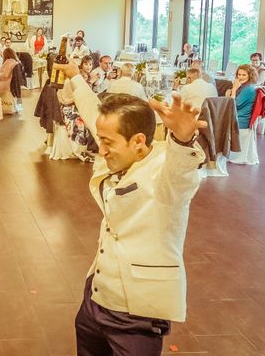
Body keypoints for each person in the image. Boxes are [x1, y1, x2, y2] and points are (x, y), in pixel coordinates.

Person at [56, 61, 206, 356]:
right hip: (94, 301)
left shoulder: (164, 179)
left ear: (138, 141)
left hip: (135, 314)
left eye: (108, 143)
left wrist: (182, 139)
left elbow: (181, 173)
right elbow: (93, 113)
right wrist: (77, 78)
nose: (101, 150)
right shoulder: (118, 154)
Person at [226, 64, 257, 129]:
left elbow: (232, 106)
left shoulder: (248, 88)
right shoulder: (244, 86)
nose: (240, 77)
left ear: (250, 76)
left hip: (240, 122)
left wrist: (234, 90)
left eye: (244, 75)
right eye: (239, 74)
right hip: (236, 118)